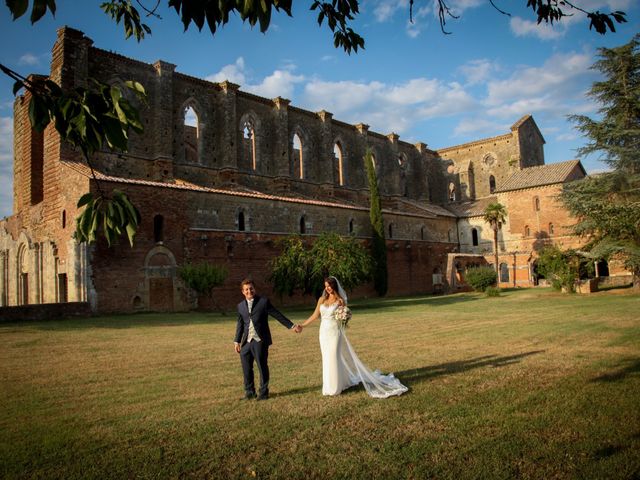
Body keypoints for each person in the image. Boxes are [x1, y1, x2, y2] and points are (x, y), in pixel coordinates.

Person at [300, 276, 408, 398]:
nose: (327, 288)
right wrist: (303, 325)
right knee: (327, 358)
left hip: (335, 332)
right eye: (325, 286)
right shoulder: (321, 299)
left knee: (334, 357)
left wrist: (344, 317)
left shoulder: (340, 300)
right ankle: (333, 385)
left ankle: (335, 388)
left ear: (334, 286)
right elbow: (315, 315)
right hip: (323, 332)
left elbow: (344, 316)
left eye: (329, 286)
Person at [234, 278, 301, 400]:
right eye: (246, 289)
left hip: (260, 340)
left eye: (251, 288)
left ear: (255, 289)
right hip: (246, 342)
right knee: (246, 368)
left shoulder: (263, 302)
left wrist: (291, 326)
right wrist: (237, 341)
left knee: (262, 366)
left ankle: (263, 392)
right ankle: (249, 392)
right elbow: (240, 324)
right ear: (243, 292)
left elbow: (277, 314)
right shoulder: (240, 306)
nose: (249, 291)